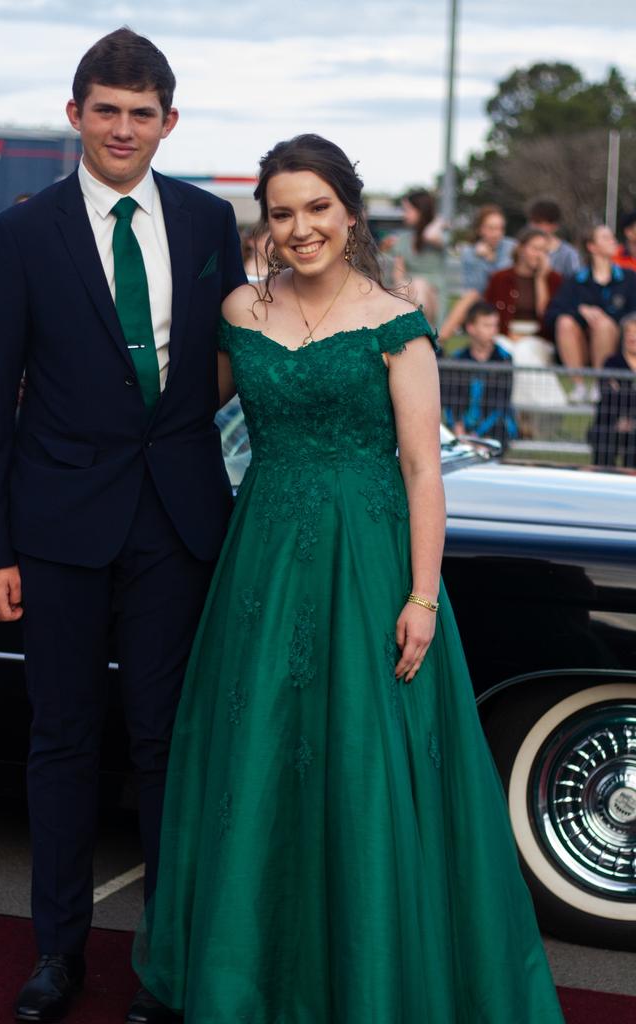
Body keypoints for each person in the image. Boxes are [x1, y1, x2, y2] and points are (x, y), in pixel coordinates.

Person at [133, 133, 563, 1023]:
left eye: (317, 208)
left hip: (369, 567)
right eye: (282, 212)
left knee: (364, 763)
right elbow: (173, 417)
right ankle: (252, 976)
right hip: (264, 566)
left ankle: (367, 980)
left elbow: (421, 470)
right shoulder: (240, 315)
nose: (300, 228)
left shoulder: (396, 320)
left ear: (350, 212)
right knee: (257, 769)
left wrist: (421, 595)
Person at [0, 27, 245, 1024]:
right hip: (55, 530)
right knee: (64, 739)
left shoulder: (215, 222)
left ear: (170, 122)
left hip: (178, 521)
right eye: (107, 109)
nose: (124, 128)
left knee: (172, 744)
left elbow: (247, 352)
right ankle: (57, 954)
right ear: (76, 113)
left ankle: (163, 964)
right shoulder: (24, 232)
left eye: (143, 112)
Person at [545, 224, 636, 401]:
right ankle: (578, 386)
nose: (613, 241)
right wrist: (580, 311)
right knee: (565, 322)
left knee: (602, 324)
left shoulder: (629, 278)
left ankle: (599, 384)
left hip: (616, 344)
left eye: (612, 237)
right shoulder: (575, 280)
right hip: (579, 346)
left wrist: (605, 317)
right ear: (591, 246)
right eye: (605, 237)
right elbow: (552, 314)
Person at [440, 300, 518, 447]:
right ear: (471, 328)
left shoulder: (504, 359)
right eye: (487, 326)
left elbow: (501, 402)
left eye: (495, 325)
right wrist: (459, 428)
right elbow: (451, 399)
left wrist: (478, 435)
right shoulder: (458, 359)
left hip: (493, 429)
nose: (493, 331)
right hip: (462, 430)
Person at [439, 204, 516, 341]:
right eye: (491, 228)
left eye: (500, 228)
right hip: (483, 299)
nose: (497, 233)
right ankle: (442, 341)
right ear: (480, 230)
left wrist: (489, 260)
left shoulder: (511, 247)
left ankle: (441, 339)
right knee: (470, 295)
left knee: (470, 297)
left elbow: (504, 280)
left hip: (508, 298)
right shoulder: (470, 253)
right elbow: (476, 286)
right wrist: (479, 260)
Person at [484, 226, 561, 338]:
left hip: (539, 339)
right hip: (505, 336)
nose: (540, 255)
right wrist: (507, 334)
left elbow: (547, 316)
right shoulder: (500, 278)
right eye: (535, 249)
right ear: (520, 248)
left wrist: (540, 279)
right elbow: (487, 313)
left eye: (545, 251)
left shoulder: (554, 279)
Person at [390, 187, 445, 321]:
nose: (404, 214)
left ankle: (422, 331)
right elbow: (398, 274)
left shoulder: (436, 235)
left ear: (421, 210)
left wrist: (437, 220)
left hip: (432, 294)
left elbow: (429, 235)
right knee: (405, 287)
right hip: (409, 292)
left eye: (408, 210)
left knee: (419, 285)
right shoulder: (403, 240)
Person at [589, 311, 636, 467]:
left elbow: (619, 394)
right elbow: (609, 395)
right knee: (604, 438)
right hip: (610, 422)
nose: (632, 337)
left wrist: (632, 419)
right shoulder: (612, 362)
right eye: (629, 332)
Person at [527, 198, 581, 278]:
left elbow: (576, 283)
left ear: (555, 225)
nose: (540, 228)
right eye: (537, 222)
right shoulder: (520, 249)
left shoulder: (568, 254)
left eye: (546, 223)